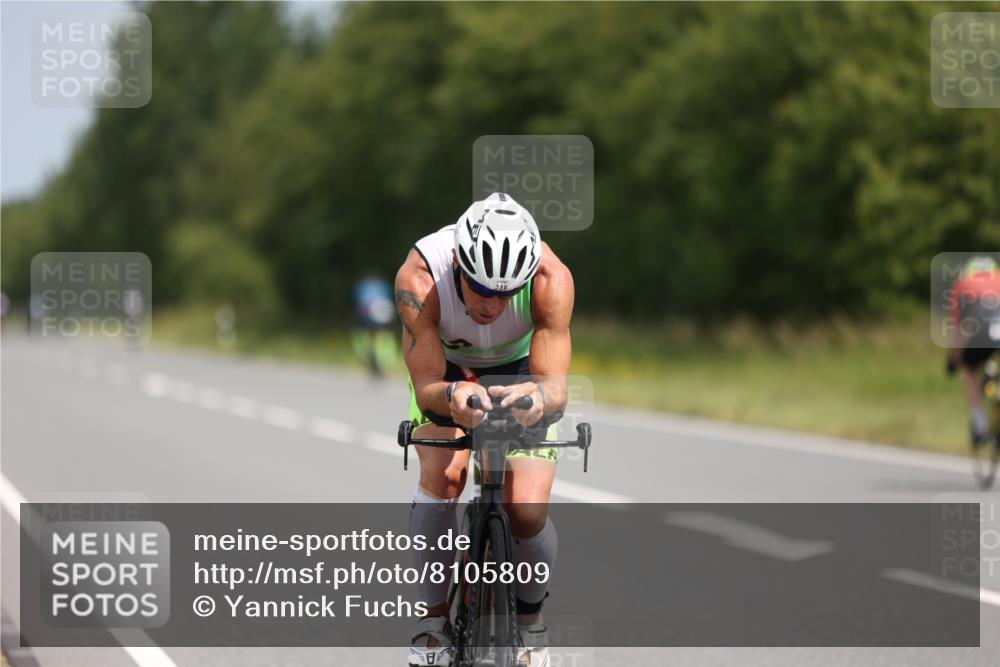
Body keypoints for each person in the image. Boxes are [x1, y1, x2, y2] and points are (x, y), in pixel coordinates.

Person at [395, 193, 573, 667]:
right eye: (479, 289)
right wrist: (451, 397)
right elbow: (428, 383)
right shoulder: (420, 277)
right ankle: (434, 621)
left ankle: (531, 621)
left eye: (505, 293)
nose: (492, 305)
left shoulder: (551, 280)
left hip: (520, 370)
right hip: (446, 371)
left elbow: (555, 387)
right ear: (458, 265)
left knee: (527, 509)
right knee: (445, 476)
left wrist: (538, 399)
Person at [946, 256, 1000, 444]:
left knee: (969, 370)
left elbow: (959, 329)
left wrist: (954, 359)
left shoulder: (962, 285)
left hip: (983, 335)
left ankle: (980, 424)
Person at [353, 272, 396, 376]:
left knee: (369, 332)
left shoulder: (363, 286)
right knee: (382, 332)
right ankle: (382, 357)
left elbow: (359, 301)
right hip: (385, 309)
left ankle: (371, 354)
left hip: (370, 310)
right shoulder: (384, 285)